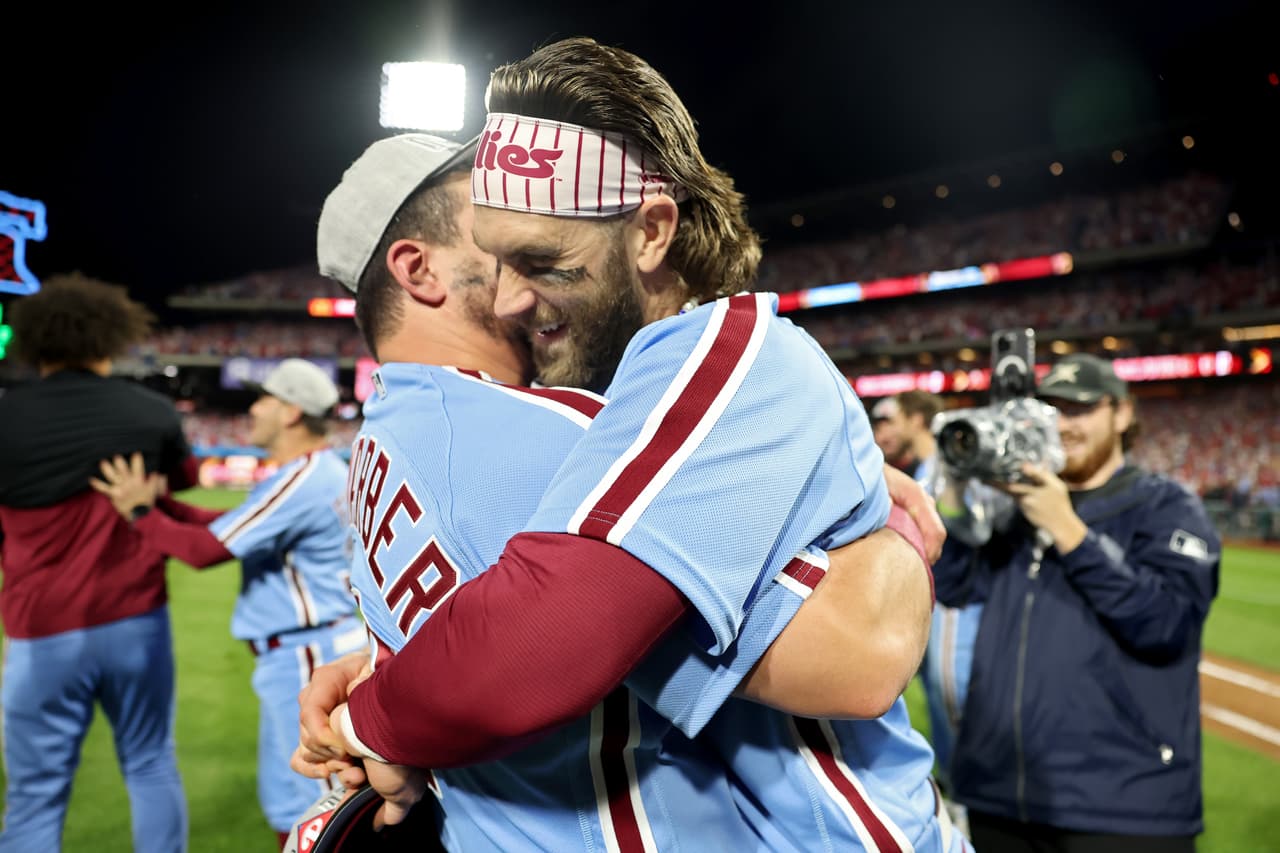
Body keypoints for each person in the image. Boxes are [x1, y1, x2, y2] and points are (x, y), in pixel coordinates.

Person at [302, 38, 961, 852]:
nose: (512, 295)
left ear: (650, 234)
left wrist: (377, 687)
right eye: (495, 248)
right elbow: (861, 651)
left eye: (538, 254)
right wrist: (890, 535)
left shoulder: (386, 446)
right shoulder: (555, 433)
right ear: (419, 269)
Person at [931, 352, 1220, 852]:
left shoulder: (1165, 505)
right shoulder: (1013, 509)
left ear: (1123, 414)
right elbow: (951, 587)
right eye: (1052, 409)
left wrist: (1067, 529)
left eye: (1079, 409)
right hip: (999, 795)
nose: (1063, 424)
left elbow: (1166, 626)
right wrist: (959, 490)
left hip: (1123, 806)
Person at [90, 357, 363, 849]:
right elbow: (229, 524)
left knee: (325, 804)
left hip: (308, 652)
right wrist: (164, 507)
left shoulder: (305, 478)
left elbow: (205, 551)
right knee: (291, 800)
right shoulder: (314, 470)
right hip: (306, 647)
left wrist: (139, 511)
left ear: (291, 413)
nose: (252, 409)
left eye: (264, 399)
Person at [0, 274, 195, 853]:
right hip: (136, 621)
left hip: (41, 632)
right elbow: (180, 487)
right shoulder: (150, 412)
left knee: (36, 791)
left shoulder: (7, 416)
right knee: (151, 763)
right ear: (108, 338)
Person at [887, 390, 979, 834]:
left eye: (897, 416)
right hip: (936, 601)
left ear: (917, 419)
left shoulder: (943, 467)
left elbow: (967, 532)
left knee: (952, 708)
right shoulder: (923, 470)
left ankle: (965, 800)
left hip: (953, 600)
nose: (890, 425)